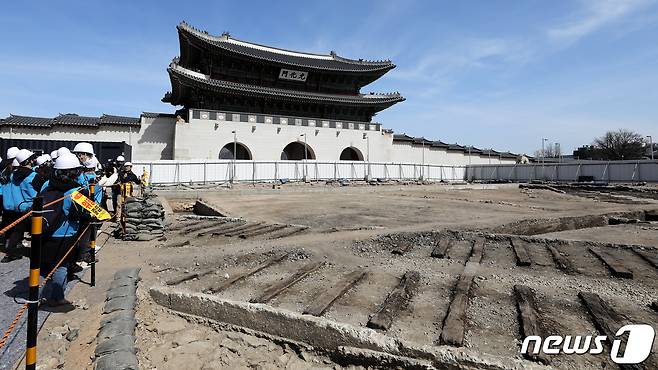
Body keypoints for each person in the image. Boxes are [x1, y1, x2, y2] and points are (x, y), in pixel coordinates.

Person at [39, 153, 90, 306]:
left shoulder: (47, 185)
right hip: (65, 234)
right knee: (61, 266)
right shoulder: (75, 192)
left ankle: (42, 294)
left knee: (49, 265)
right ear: (73, 172)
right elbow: (87, 213)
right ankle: (57, 297)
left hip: (46, 230)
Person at [1, 149, 41, 262]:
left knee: (14, 231)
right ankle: (33, 254)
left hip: (12, 207)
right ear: (29, 161)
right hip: (29, 208)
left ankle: (11, 252)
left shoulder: (11, 174)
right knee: (33, 231)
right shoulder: (33, 176)